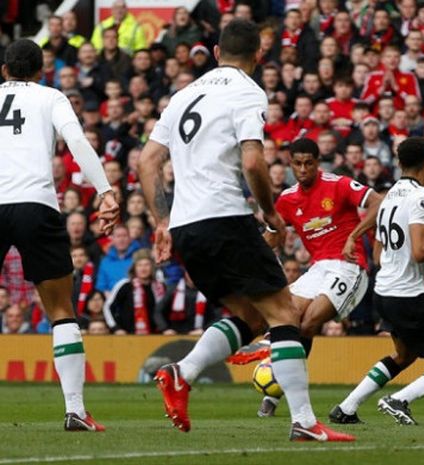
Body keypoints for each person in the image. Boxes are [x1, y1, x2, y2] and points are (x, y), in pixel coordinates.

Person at [137, 20, 353, 441]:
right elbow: (253, 162)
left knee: (251, 316)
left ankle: (183, 373)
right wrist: (271, 212)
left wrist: (161, 221)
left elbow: (147, 162)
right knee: (285, 314)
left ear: (216, 53)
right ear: (258, 57)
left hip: (186, 226)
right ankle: (305, 422)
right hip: (224, 217)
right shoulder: (247, 91)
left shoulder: (182, 95)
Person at [0, 39, 119, 431]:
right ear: (40, 71)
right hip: (36, 203)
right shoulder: (50, 97)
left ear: (5, 71)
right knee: (61, 311)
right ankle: (75, 410)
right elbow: (78, 143)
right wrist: (105, 191)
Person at [331, 137, 424, 425]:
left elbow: (377, 246)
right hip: (410, 296)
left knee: (405, 356)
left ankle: (346, 407)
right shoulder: (421, 197)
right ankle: (400, 399)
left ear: (399, 163)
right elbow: (420, 251)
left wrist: (356, 236)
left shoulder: (391, 195)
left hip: (384, 292)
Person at [232, 138, 381, 417]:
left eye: (308, 163)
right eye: (297, 164)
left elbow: (378, 203)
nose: (303, 169)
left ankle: (279, 387)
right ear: (291, 164)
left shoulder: (338, 184)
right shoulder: (287, 199)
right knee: (287, 317)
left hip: (349, 267)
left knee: (309, 322)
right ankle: (276, 391)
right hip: (318, 269)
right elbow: (275, 234)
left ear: (317, 162)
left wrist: (354, 237)